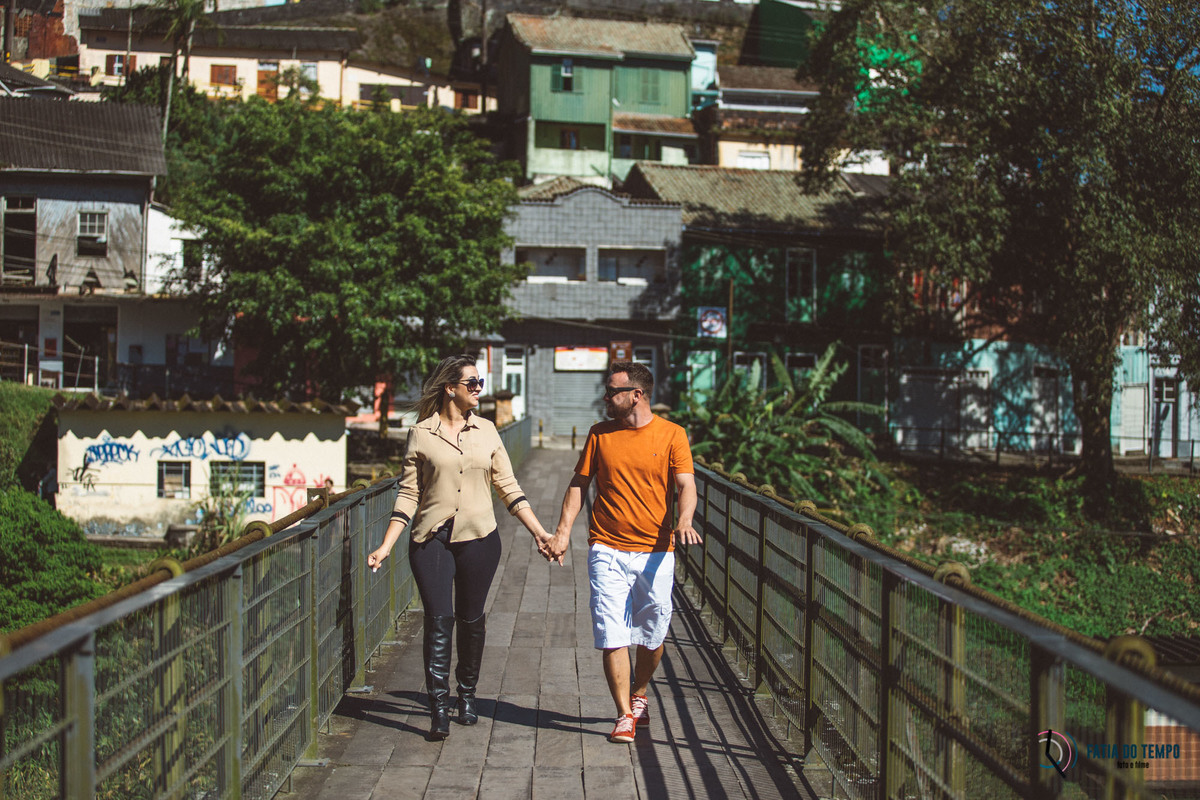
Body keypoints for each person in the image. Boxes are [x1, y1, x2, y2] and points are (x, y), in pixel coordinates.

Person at [368, 354, 554, 740]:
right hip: (430, 541)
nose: (479, 389)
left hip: (480, 539)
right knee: (438, 621)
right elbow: (408, 493)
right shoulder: (421, 434)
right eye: (472, 382)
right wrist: (386, 545)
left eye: (480, 382)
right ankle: (438, 707)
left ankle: (466, 695)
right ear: (450, 388)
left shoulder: (487, 431)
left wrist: (539, 532)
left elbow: (508, 486)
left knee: (471, 619)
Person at [546, 361, 701, 743]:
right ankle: (624, 715)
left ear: (636, 395)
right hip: (606, 547)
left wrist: (684, 520)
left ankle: (639, 692)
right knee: (611, 631)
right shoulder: (600, 434)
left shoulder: (672, 434)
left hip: (656, 551)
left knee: (653, 634)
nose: (605, 398)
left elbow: (686, 484)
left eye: (612, 391)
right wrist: (562, 533)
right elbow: (580, 483)